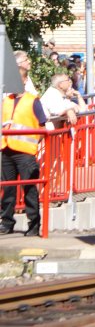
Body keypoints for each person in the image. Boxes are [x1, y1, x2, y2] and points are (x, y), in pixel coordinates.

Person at [0, 87, 50, 236]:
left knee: (29, 189)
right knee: (7, 189)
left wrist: (33, 144)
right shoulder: (6, 101)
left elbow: (42, 126)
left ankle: (34, 225)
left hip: (25, 152)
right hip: (6, 149)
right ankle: (6, 223)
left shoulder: (32, 100)